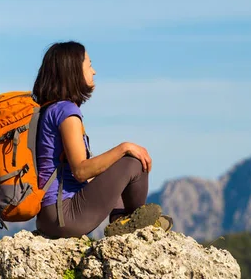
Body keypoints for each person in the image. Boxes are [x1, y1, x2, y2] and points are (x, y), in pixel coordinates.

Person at [32, 41, 172, 238]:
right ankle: (136, 224)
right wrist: (124, 148)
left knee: (110, 167)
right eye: (89, 65)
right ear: (73, 71)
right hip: (65, 216)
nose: (94, 71)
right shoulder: (66, 111)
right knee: (134, 162)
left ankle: (123, 221)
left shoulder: (50, 109)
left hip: (50, 216)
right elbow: (81, 171)